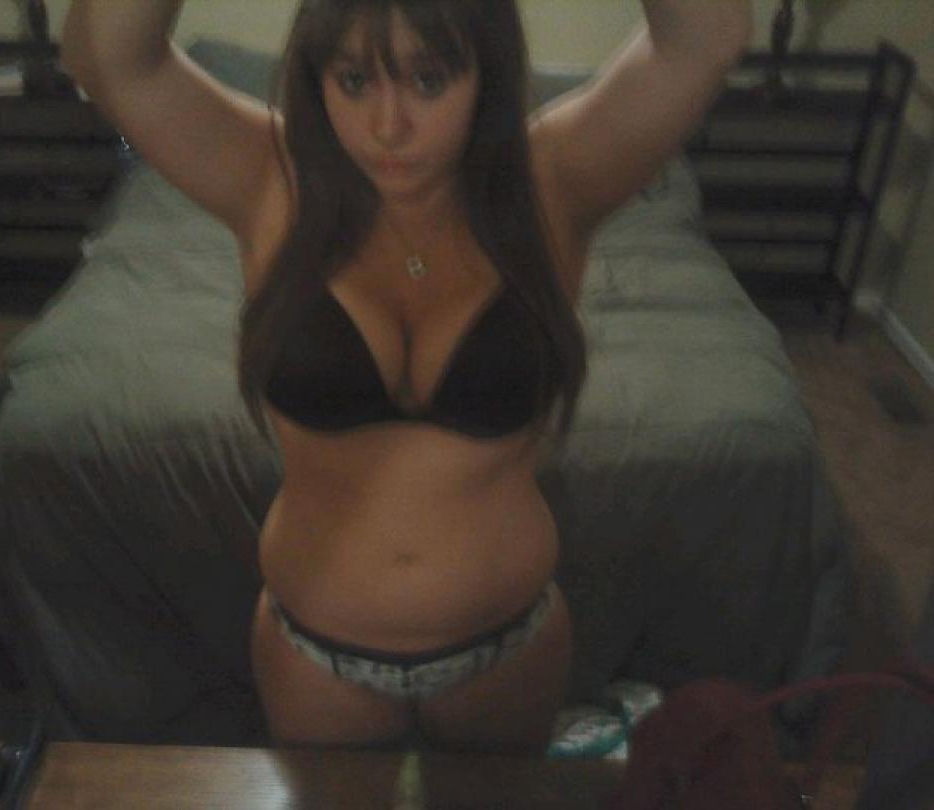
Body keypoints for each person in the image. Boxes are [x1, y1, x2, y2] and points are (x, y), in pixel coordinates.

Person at [61, 0, 752, 754]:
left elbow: (704, 40)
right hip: (316, 659)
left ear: (486, 73)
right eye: (354, 80)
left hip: (507, 651)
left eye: (429, 80)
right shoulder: (269, 174)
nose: (388, 126)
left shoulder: (553, 179)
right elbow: (112, 58)